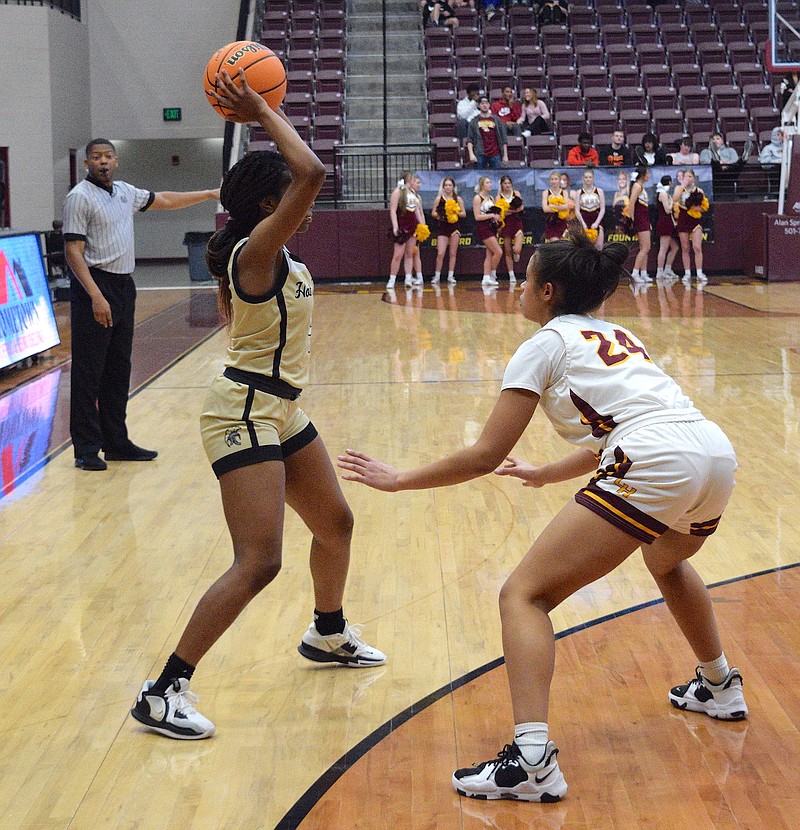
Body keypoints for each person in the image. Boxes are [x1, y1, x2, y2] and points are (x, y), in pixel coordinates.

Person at [337, 229, 747, 803]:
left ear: (547, 290)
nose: (517, 285)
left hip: (655, 458)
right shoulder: (618, 333)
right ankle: (720, 684)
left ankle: (531, 760)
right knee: (667, 562)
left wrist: (400, 478)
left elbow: (483, 455)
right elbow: (626, 427)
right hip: (712, 454)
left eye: (524, 278)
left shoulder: (546, 342)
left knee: (523, 595)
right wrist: (545, 473)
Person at [130, 69, 385, 741]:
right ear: (275, 202)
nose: (306, 206)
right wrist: (262, 111)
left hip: (279, 410)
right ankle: (163, 690)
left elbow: (303, 179)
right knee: (259, 561)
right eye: (291, 198)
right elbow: (314, 172)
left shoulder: (276, 254)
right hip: (241, 409)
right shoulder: (256, 251)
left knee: (336, 523)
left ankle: (327, 634)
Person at [63, 139, 220, 472]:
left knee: (119, 369)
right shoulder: (79, 198)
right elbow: (73, 252)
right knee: (90, 370)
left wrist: (207, 194)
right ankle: (87, 448)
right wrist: (95, 295)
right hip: (96, 284)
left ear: (116, 161)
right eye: (96, 157)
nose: (102, 162)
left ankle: (117, 443)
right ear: (87, 163)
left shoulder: (124, 191)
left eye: (107, 156)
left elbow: (163, 199)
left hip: (124, 285)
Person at [386, 170, 425, 289]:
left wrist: (422, 226)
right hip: (402, 227)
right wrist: (395, 226)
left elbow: (418, 211)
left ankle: (408, 278)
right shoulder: (398, 192)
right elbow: (392, 210)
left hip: (413, 227)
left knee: (410, 254)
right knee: (398, 255)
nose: (415, 182)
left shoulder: (413, 194)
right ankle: (392, 279)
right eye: (413, 179)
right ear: (409, 180)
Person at [673, 167, 709, 284]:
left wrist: (699, 208)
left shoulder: (699, 191)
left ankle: (699, 272)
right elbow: (675, 199)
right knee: (685, 247)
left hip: (695, 220)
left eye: (690, 176)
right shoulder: (679, 188)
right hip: (683, 219)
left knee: (697, 247)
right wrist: (682, 185)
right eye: (685, 176)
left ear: (693, 178)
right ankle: (687, 273)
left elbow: (704, 207)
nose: (688, 179)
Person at [431, 176, 466, 284]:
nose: (448, 187)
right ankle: (437, 276)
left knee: (452, 253)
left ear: (453, 187)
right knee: (441, 252)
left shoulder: (458, 199)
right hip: (442, 227)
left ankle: (451, 275)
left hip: (454, 227)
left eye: (450, 185)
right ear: (443, 187)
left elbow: (463, 213)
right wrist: (442, 215)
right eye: (445, 185)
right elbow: (433, 213)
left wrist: (454, 213)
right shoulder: (439, 199)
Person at [624, 164, 653, 283]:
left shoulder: (641, 186)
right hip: (639, 220)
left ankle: (643, 273)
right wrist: (631, 220)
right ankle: (635, 273)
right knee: (646, 247)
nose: (649, 175)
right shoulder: (637, 186)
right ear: (643, 174)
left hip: (644, 219)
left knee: (644, 248)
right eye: (647, 173)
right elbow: (631, 204)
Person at [473, 175, 503, 286]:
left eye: (490, 182)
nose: (490, 184)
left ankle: (485, 277)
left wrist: (497, 220)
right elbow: (477, 216)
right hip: (483, 227)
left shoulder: (491, 198)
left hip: (492, 227)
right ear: (482, 185)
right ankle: (492, 273)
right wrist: (491, 215)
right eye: (487, 182)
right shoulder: (477, 198)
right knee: (498, 252)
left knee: (489, 253)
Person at [699, 132, 747, 199]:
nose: (715, 141)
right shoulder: (705, 151)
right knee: (715, 165)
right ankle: (715, 159)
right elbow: (703, 161)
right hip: (714, 174)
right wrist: (720, 163)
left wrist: (727, 163)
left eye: (718, 139)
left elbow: (735, 159)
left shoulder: (730, 150)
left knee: (738, 164)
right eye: (713, 139)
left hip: (729, 172)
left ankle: (744, 158)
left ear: (722, 141)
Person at [496, 174, 525, 282]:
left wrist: (513, 211)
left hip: (516, 222)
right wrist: (506, 212)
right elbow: (499, 212)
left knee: (516, 249)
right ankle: (511, 274)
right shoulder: (499, 197)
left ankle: (516, 252)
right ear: (502, 185)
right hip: (506, 223)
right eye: (505, 183)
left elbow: (521, 207)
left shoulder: (516, 193)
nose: (507, 185)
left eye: (509, 183)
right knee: (507, 250)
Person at [467, 96, 509, 169]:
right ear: (478, 106)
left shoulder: (496, 120)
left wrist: (505, 155)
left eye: (486, 103)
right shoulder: (474, 121)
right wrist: (471, 154)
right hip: (480, 153)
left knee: (497, 176)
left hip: (495, 153)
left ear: (489, 105)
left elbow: (503, 139)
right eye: (482, 103)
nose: (484, 105)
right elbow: (469, 140)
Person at [654, 175, 680, 280]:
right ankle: (659, 272)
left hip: (668, 222)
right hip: (664, 222)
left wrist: (674, 222)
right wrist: (672, 203)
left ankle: (667, 270)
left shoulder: (666, 193)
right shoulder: (663, 194)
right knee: (663, 248)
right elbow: (667, 210)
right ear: (669, 182)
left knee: (675, 247)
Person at [575, 166, 605, 249]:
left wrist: (596, 223)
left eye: (590, 177)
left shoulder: (599, 191)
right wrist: (583, 224)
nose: (588, 179)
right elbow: (577, 210)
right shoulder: (578, 192)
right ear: (583, 178)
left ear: (593, 178)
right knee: (585, 247)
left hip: (596, 219)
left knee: (599, 246)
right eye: (586, 177)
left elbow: (602, 209)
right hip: (584, 219)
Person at [541, 170, 572, 242]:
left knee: (563, 245)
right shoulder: (546, 193)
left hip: (562, 221)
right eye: (552, 179)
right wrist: (560, 207)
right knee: (556, 243)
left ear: (559, 180)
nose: (554, 181)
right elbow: (545, 209)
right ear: (549, 181)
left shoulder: (564, 192)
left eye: (556, 179)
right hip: (551, 222)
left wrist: (553, 206)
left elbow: (566, 206)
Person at [759, 126, 785, 196]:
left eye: (782, 135)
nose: (781, 137)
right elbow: (764, 163)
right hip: (775, 171)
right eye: (779, 134)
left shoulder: (786, 146)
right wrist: (777, 161)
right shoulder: (768, 148)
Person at [612, 170, 631, 234]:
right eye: (619, 179)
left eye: (624, 179)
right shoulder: (616, 194)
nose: (622, 181)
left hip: (628, 223)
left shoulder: (630, 193)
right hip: (618, 224)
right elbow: (613, 209)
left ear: (627, 180)